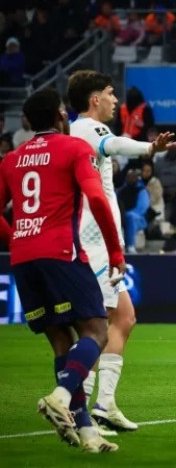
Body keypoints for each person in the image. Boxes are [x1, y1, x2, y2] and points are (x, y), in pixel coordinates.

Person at [0, 88, 125, 453]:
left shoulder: (10, 160)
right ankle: (59, 395)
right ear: (59, 116)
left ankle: (86, 432)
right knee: (97, 330)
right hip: (61, 252)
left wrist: (16, 239)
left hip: (23, 257)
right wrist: (116, 250)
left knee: (60, 341)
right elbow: (97, 199)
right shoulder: (74, 148)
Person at [67, 70, 176, 433]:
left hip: (99, 240)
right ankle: (76, 407)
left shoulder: (85, 131)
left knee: (123, 319)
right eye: (111, 94)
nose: (117, 101)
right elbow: (114, 145)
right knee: (95, 326)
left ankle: (104, 404)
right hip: (93, 241)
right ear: (94, 99)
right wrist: (148, 148)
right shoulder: (85, 128)